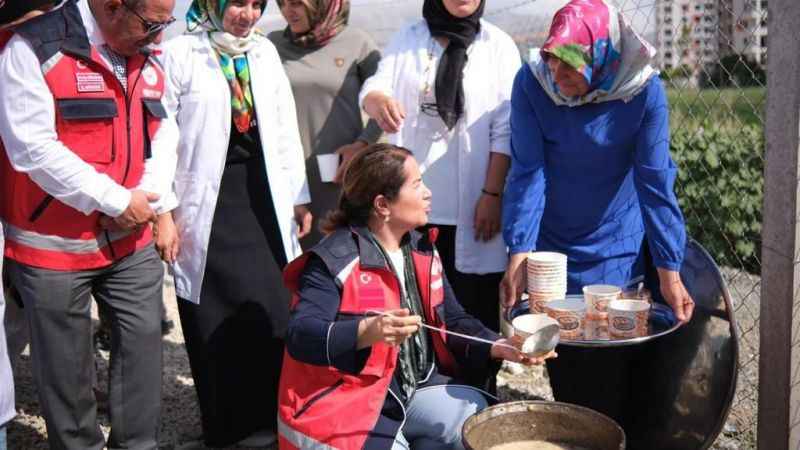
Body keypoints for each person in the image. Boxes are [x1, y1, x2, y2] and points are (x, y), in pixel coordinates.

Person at [278, 144, 554, 450]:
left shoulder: (421, 247)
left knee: (480, 425)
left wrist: (502, 345)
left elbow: (452, 320)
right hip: (349, 404)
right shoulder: (331, 259)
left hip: (409, 392)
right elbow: (301, 335)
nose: (428, 192)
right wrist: (365, 332)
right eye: (417, 184)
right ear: (382, 204)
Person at [500, 0, 694, 432]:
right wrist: (520, 252)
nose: (557, 76)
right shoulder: (533, 85)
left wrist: (669, 270)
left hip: (617, 244)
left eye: (570, 67)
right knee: (572, 374)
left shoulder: (641, 91)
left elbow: (654, 181)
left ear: (602, 58)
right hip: (554, 251)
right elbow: (527, 172)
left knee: (617, 368)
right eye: (552, 62)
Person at [0, 0, 178, 448]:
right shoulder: (34, 48)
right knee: (66, 371)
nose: (160, 36)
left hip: (131, 242)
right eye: (153, 23)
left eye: (166, 23)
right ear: (114, 7)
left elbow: (163, 128)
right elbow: (32, 148)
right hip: (53, 247)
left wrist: (150, 196)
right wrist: (117, 200)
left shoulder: (146, 49)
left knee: (142, 350)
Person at [156, 0, 311, 446]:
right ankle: (224, 430)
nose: (245, 14)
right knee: (212, 310)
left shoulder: (262, 53)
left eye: (255, 4)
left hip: (262, 198)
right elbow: (162, 134)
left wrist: (299, 197)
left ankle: (270, 425)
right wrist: (163, 209)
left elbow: (283, 128)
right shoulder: (180, 52)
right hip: (206, 202)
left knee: (270, 305)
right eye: (236, 3)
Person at [359, 0, 519, 334]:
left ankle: (477, 386)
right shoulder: (409, 39)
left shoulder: (498, 46)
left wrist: (492, 193)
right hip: (414, 208)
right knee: (416, 309)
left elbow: (505, 130)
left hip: (475, 207)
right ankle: (421, 384)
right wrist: (380, 103)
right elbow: (375, 88)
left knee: (473, 312)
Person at [269, 0, 383, 248]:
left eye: (297, 3)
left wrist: (363, 144)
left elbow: (386, 101)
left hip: (338, 179)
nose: (288, 11)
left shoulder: (358, 43)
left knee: (340, 260)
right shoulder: (271, 46)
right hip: (284, 179)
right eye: (283, 3)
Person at [0, 4, 61, 446]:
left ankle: (52, 387)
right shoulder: (14, 46)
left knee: (34, 311)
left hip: (41, 206)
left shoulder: (56, 41)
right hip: (16, 201)